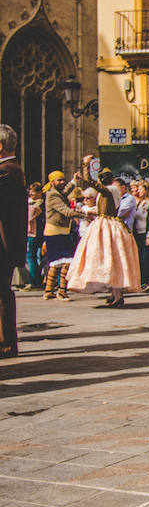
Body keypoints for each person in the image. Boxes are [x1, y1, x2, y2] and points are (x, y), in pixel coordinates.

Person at [67, 157, 142, 307]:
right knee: (111, 261)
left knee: (112, 260)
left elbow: (89, 181)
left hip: (107, 226)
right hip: (105, 224)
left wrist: (85, 164)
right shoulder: (108, 191)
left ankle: (118, 296)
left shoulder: (109, 190)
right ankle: (115, 295)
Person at [0, 125, 26, 358]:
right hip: (6, 246)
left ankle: (5, 343)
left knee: (1, 294)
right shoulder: (11, 169)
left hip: (3, 247)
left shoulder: (6, 171)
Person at [42, 170, 85, 301]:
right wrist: (85, 215)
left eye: (62, 180)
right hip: (56, 231)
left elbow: (65, 192)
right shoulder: (53, 196)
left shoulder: (56, 193)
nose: (62, 182)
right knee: (66, 261)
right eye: (59, 180)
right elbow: (66, 211)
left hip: (57, 230)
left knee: (55, 262)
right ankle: (61, 291)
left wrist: (74, 181)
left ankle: (49, 290)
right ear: (52, 182)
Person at [24, 182, 44, 291]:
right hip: (33, 233)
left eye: (35, 191)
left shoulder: (38, 204)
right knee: (35, 257)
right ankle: (37, 280)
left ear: (40, 192)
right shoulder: (33, 203)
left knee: (31, 257)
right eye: (30, 190)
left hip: (34, 233)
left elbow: (29, 217)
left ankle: (33, 282)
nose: (32, 193)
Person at [133, 180, 149, 285]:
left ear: (146, 190)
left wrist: (148, 236)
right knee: (138, 257)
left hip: (146, 234)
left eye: (141, 189)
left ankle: (146, 280)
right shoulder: (140, 202)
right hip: (137, 232)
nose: (139, 191)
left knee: (146, 258)